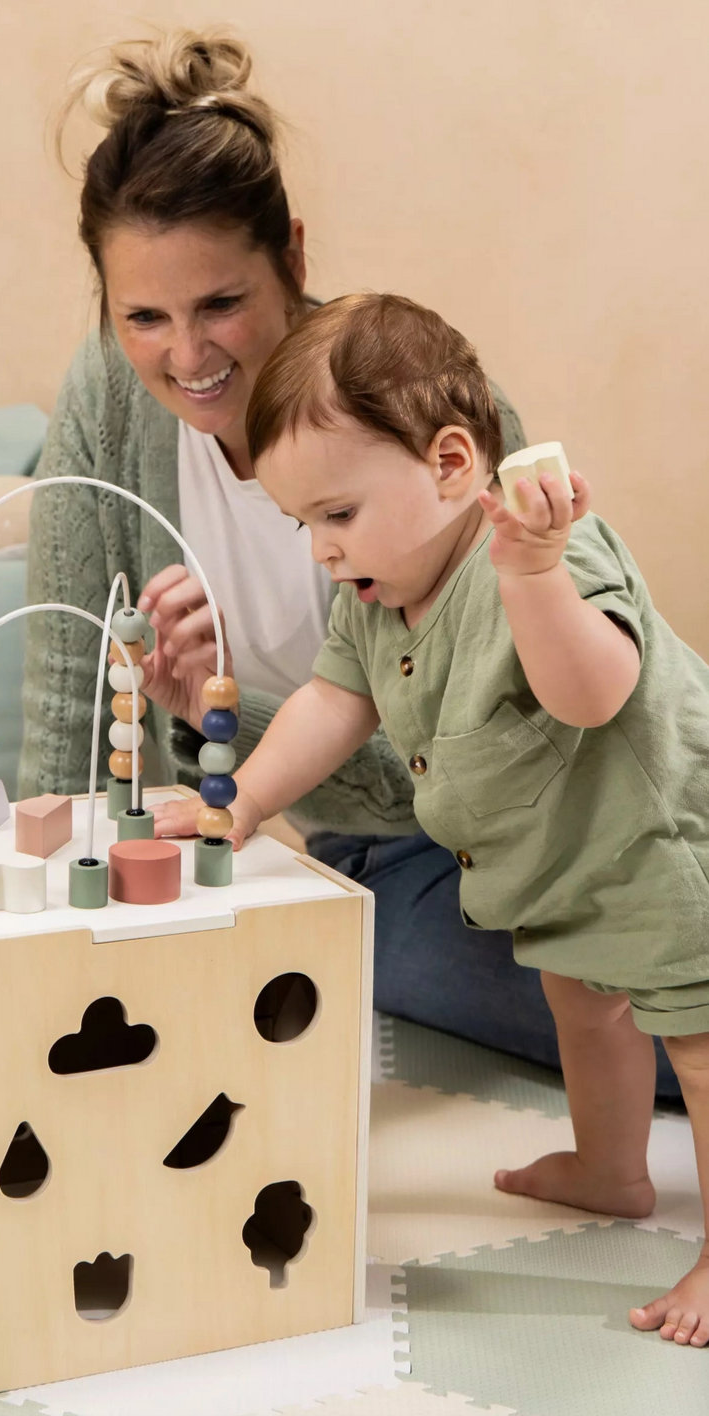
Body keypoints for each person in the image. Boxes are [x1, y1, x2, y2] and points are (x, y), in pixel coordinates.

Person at [18, 28, 680, 1099]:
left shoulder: (409, 406)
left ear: (294, 254)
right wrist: (37, 925)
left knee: (659, 964)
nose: (186, 357)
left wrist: (224, 723)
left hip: (531, 825)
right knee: (595, 1014)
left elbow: (504, 747)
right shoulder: (104, 404)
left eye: (220, 304)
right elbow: (64, 697)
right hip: (361, 861)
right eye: (143, 316)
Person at [152, 291, 709, 1343]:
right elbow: (328, 702)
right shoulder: (371, 597)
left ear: (452, 466)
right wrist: (247, 803)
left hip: (667, 846)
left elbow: (591, 694)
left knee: (696, 1045)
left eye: (337, 514)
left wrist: (533, 575)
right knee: (580, 1009)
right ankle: (610, 1169)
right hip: (566, 870)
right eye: (302, 523)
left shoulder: (538, 555)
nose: (319, 549)